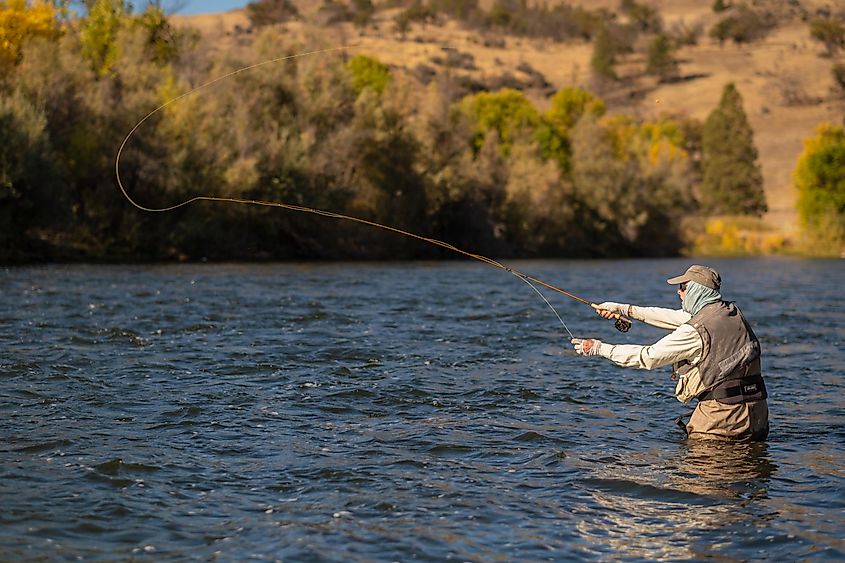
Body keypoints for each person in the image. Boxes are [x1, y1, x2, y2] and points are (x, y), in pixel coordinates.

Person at [571, 265, 769, 441]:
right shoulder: (730, 312)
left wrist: (598, 348)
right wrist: (623, 309)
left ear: (696, 291)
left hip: (722, 422)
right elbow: (675, 317)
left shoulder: (695, 331)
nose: (678, 292)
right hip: (757, 416)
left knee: (698, 479)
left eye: (683, 288)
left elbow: (648, 357)